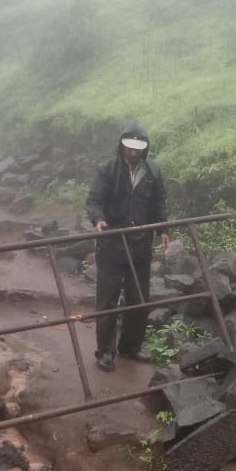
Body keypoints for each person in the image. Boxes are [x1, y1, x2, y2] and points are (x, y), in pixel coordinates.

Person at [86, 121, 169, 372]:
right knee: (107, 300)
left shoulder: (153, 172)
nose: (132, 153)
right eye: (128, 148)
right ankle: (106, 351)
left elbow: (159, 203)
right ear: (122, 145)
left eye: (137, 149)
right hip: (112, 244)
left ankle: (130, 346)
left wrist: (163, 229)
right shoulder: (109, 170)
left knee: (139, 298)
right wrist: (98, 218)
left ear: (144, 149)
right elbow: (94, 199)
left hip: (140, 245)